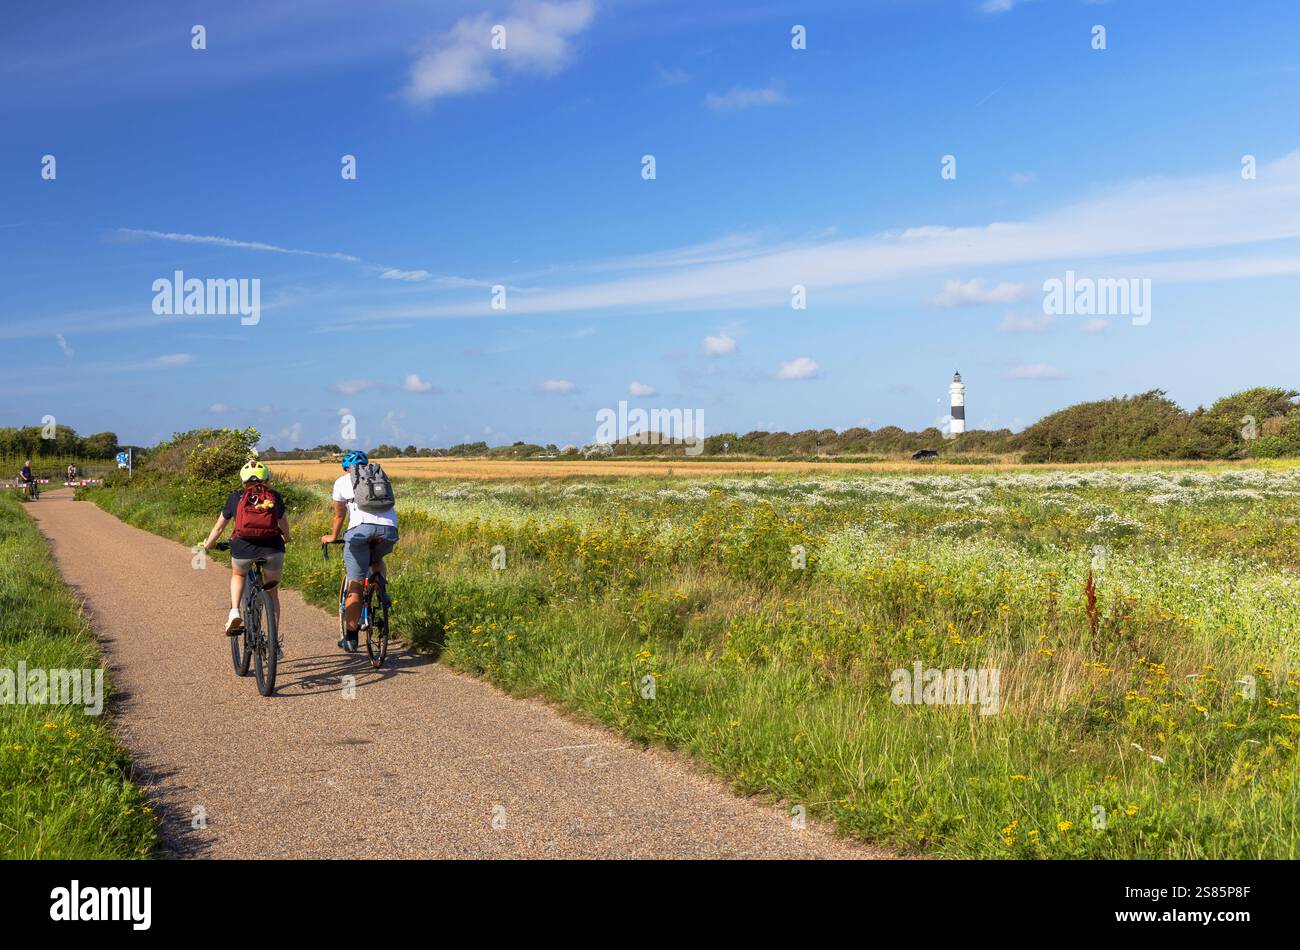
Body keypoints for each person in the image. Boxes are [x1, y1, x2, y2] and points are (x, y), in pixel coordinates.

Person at [201, 459, 291, 636]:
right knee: (272, 591)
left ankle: (234, 611)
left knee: (239, 574)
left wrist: (209, 544)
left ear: (243, 482)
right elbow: (284, 523)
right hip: (273, 548)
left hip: (243, 548)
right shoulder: (275, 497)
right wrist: (286, 538)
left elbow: (219, 527)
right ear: (267, 479)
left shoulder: (235, 497)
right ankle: (274, 640)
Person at [321, 450, 398, 653]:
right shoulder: (380, 475)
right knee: (376, 559)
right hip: (389, 530)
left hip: (360, 532)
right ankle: (382, 592)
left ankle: (351, 638)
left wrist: (333, 536)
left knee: (355, 585)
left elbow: (339, 515)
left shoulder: (341, 482)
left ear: (346, 468)